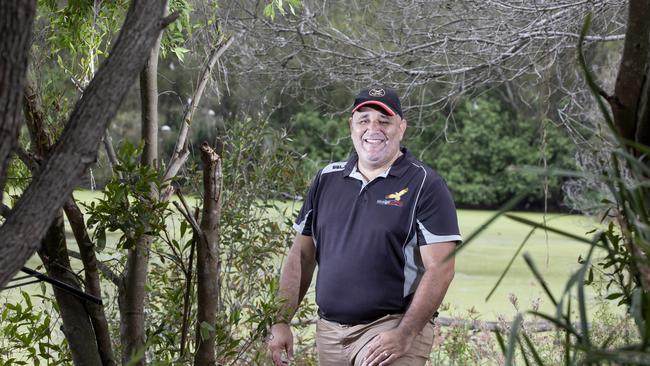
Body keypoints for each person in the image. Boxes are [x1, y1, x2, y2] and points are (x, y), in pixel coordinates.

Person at [268, 87, 462, 366]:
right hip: (330, 334)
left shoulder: (424, 185)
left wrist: (405, 333)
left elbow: (442, 267)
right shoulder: (326, 179)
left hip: (389, 328)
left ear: (401, 127)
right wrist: (281, 320)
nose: (373, 128)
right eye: (364, 120)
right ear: (352, 126)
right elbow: (301, 256)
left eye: (384, 121)